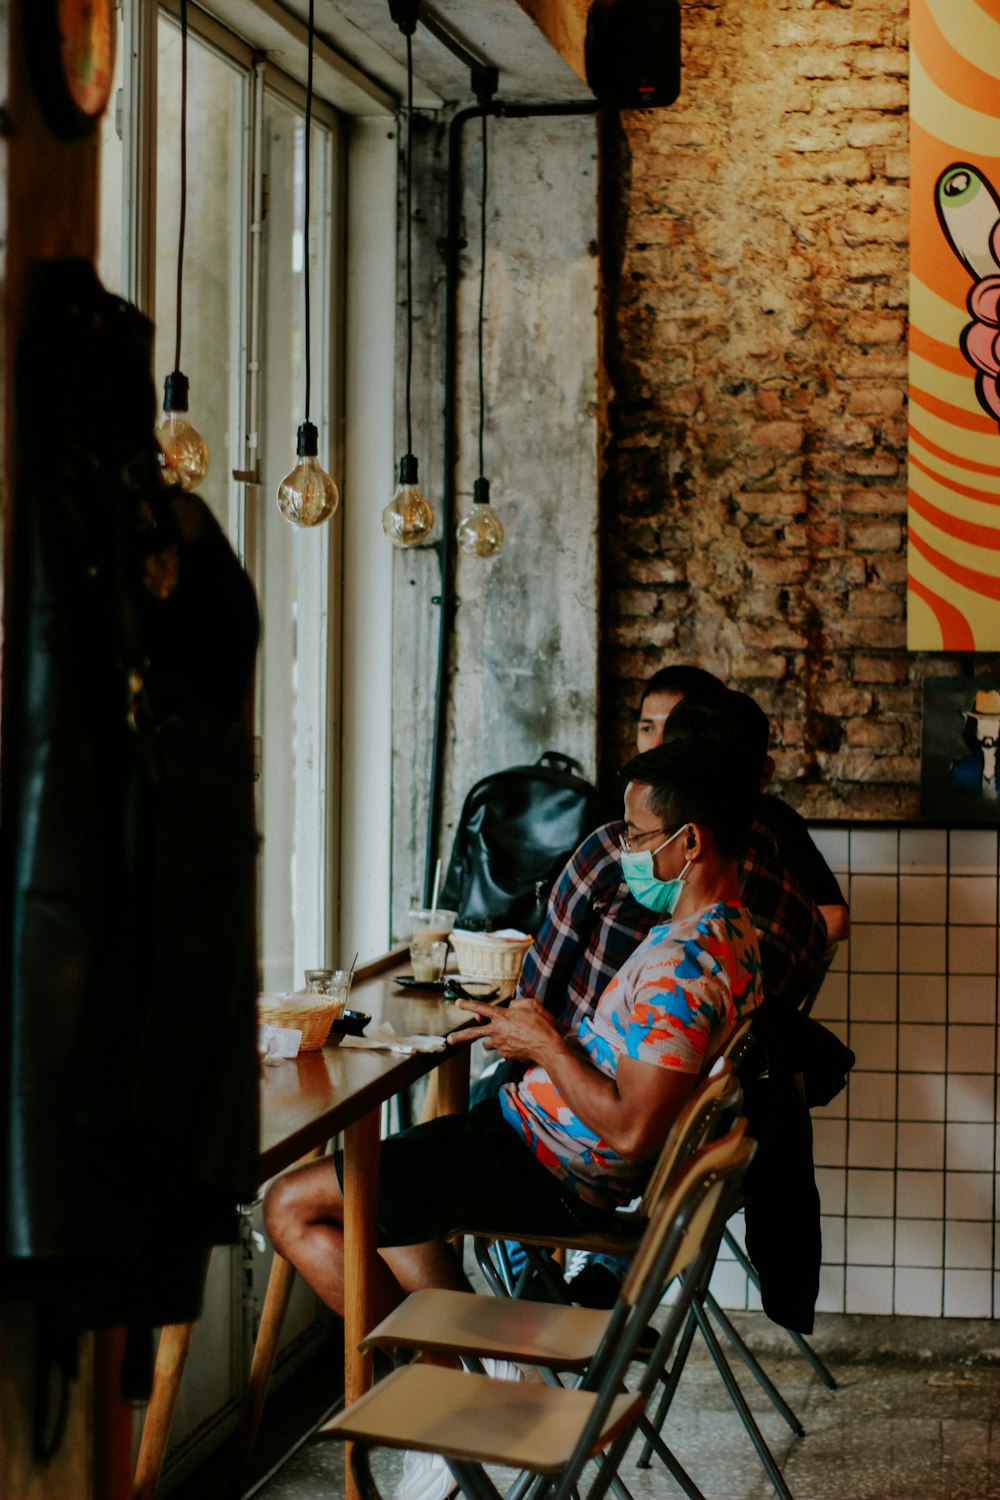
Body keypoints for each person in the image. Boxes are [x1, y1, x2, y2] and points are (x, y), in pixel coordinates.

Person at [263, 736, 763, 1500]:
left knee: (292, 1205)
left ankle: (449, 1398)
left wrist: (548, 1043)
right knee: (389, 1170)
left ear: (688, 842)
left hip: (550, 1168)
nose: (625, 853)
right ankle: (475, 1358)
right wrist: (532, 1036)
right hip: (535, 1142)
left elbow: (632, 1131)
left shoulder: (683, 969)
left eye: (635, 836)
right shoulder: (729, 936)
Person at [638, 665, 850, 944]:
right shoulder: (619, 825)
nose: (657, 745)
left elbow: (836, 919)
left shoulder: (768, 824)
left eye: (675, 729)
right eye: (646, 727)